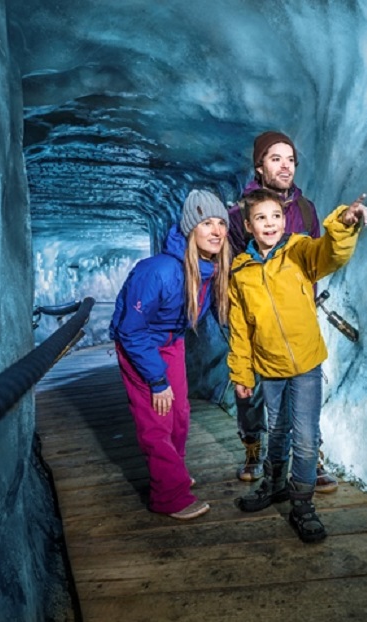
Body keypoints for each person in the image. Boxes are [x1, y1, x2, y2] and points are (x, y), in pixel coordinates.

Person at [228, 188, 367, 543]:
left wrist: (343, 224)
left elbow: (330, 254)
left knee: (305, 439)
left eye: (276, 216)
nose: (270, 223)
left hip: (305, 363)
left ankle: (303, 504)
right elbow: (241, 328)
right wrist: (242, 373)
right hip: (270, 368)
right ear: (248, 225)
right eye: (261, 218)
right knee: (276, 430)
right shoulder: (241, 271)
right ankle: (274, 485)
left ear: (284, 220)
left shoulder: (298, 250)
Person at [227, 130, 338, 494]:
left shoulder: (305, 210)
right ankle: (253, 449)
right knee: (252, 394)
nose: (285, 166)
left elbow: (315, 261)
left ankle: (310, 458)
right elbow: (232, 267)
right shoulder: (237, 214)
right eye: (276, 158)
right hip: (255, 316)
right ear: (259, 166)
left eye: (290, 159)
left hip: (295, 317)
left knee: (304, 394)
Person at [109, 189, 230, 520]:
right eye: (207, 223)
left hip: (171, 341)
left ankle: (172, 473)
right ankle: (168, 496)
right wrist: (157, 379)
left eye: (221, 223)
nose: (217, 230)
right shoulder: (160, 271)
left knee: (179, 413)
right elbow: (131, 330)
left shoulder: (209, 269)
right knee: (156, 419)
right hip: (140, 343)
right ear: (191, 228)